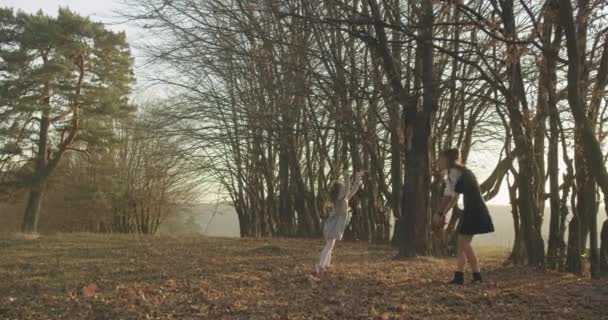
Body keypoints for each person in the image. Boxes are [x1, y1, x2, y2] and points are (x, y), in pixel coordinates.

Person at [433, 148, 494, 285]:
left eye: (440, 158)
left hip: (474, 210)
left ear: (447, 159)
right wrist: (444, 214)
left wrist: (439, 213)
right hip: (474, 209)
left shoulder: (454, 172)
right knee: (462, 244)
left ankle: (477, 275)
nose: (438, 161)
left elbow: (448, 197)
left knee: (464, 243)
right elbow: (454, 198)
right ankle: (460, 276)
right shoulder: (460, 172)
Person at [313, 169, 365, 277]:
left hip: (334, 225)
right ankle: (319, 265)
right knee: (328, 246)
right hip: (333, 226)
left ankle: (326, 265)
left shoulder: (344, 199)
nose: (344, 189)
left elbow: (353, 189)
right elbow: (347, 188)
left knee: (330, 247)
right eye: (342, 188)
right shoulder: (340, 198)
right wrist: (347, 177)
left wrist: (358, 177)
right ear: (339, 191)